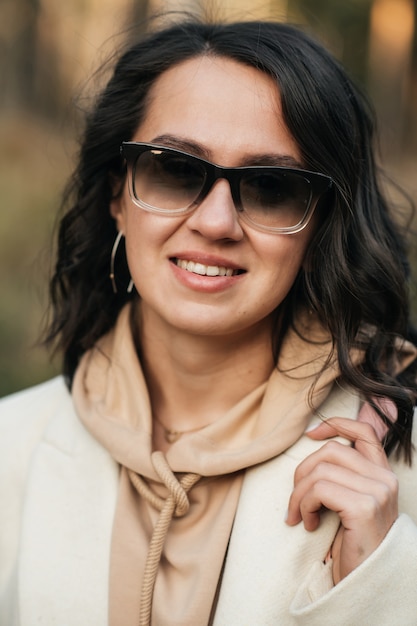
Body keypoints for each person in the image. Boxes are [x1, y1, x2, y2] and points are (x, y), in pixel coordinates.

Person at [1, 16, 417, 626]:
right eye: (174, 169)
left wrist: (376, 587)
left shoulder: (398, 468)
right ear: (117, 195)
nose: (217, 222)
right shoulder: (11, 445)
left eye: (272, 186)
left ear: (322, 225)